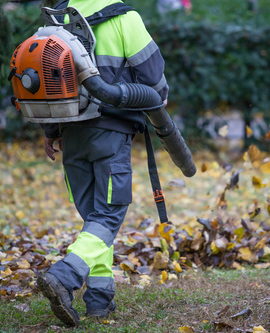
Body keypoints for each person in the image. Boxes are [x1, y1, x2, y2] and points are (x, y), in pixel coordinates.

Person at [36, 0, 169, 327]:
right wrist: (159, 105)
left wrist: (50, 131)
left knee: (95, 219)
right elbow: (153, 77)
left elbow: (49, 78)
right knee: (108, 213)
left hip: (71, 135)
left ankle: (98, 301)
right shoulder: (126, 19)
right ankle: (65, 276)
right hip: (110, 132)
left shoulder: (59, 18)